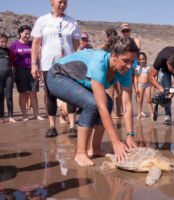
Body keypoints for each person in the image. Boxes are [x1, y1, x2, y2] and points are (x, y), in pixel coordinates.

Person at [46, 37, 138, 166]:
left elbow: (127, 104)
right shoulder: (99, 62)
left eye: (133, 62)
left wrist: (130, 134)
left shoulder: (126, 70)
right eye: (126, 61)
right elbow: (101, 107)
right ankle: (81, 153)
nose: (129, 66)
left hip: (78, 80)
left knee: (109, 102)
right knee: (93, 103)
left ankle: (95, 148)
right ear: (114, 56)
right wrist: (115, 141)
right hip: (57, 76)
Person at [31, 0, 81, 138]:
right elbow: (35, 44)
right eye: (60, 2)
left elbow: (76, 45)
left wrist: (79, 63)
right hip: (48, 64)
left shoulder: (72, 22)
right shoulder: (42, 20)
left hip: (68, 63)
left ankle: (72, 126)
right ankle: (52, 126)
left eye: (65, 2)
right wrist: (34, 64)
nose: (62, 5)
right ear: (51, 2)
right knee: (50, 94)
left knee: (71, 94)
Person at [10, 25, 44, 121]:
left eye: (29, 34)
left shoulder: (32, 44)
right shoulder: (14, 45)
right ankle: (25, 115)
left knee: (34, 93)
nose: (28, 36)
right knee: (23, 93)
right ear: (20, 33)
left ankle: (36, 114)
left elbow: (37, 57)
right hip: (20, 70)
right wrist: (12, 74)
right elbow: (11, 61)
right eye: (26, 34)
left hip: (32, 70)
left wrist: (39, 69)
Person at [148, 46, 174, 126]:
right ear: (167, 62)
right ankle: (168, 116)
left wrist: (168, 98)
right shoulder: (160, 58)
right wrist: (161, 89)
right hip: (164, 70)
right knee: (165, 90)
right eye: (172, 70)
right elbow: (150, 77)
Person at [120, 23, 145, 116]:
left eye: (127, 30)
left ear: (130, 31)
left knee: (138, 90)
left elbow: (137, 50)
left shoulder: (136, 40)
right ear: (121, 32)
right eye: (124, 31)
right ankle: (126, 110)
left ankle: (139, 110)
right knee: (127, 90)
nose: (126, 33)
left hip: (135, 67)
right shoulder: (120, 41)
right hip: (125, 67)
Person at [98, 28, 123, 118]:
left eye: (114, 36)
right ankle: (111, 112)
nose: (112, 38)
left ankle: (119, 110)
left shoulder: (118, 45)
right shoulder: (105, 46)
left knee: (120, 92)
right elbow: (96, 50)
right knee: (110, 92)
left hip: (118, 71)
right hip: (108, 70)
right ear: (107, 37)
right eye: (110, 36)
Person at [0, 33, 15, 123]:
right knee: (0, 96)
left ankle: (10, 116)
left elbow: (13, 64)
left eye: (5, 42)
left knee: (9, 96)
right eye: (2, 42)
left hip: (9, 76)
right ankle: (1, 117)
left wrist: (14, 75)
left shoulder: (9, 51)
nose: (4, 43)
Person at [134, 52, 153, 119]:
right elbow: (135, 78)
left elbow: (151, 77)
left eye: (143, 59)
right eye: (140, 59)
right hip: (140, 85)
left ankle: (152, 114)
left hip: (147, 85)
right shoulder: (137, 68)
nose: (142, 61)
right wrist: (136, 88)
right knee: (140, 100)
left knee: (149, 100)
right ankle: (139, 114)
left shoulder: (148, 68)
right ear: (138, 60)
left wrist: (153, 86)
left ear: (145, 59)